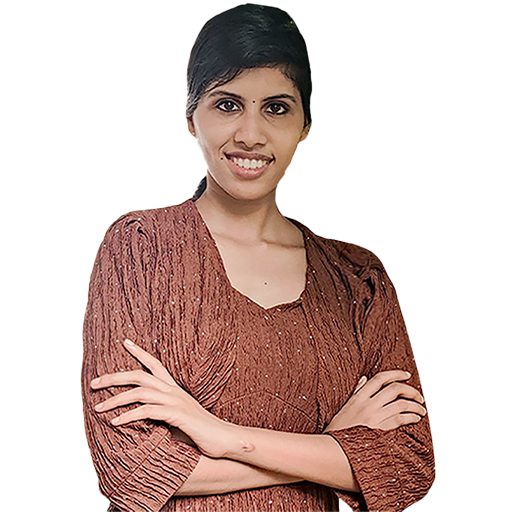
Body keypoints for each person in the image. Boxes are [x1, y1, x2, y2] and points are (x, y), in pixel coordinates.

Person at [81, 3, 435, 511]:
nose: (250, 134)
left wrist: (222, 437)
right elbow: (129, 469)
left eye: (276, 107)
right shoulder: (141, 248)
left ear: (305, 123)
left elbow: (407, 464)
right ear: (191, 118)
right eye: (227, 104)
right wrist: (331, 446)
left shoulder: (358, 279)